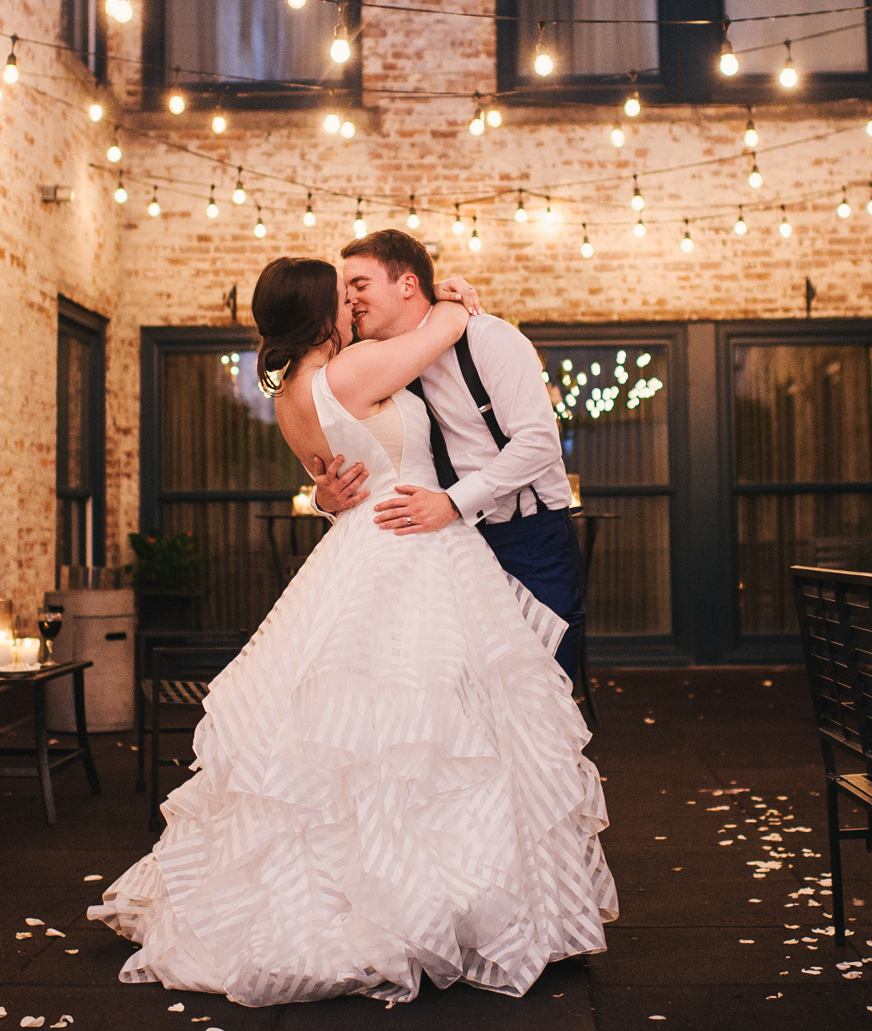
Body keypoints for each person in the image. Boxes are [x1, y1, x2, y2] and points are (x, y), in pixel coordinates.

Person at [88, 256, 617, 1007]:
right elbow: (443, 330)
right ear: (319, 315)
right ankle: (441, 904)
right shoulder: (358, 367)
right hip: (415, 544)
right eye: (344, 298)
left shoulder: (290, 399)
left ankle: (402, 886)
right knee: (435, 730)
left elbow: (339, 478)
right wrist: (453, 301)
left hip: (362, 546)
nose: (354, 307)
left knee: (364, 734)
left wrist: (321, 495)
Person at [312, 230, 586, 683]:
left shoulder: (489, 338)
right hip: (444, 551)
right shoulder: (377, 363)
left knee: (542, 687)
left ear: (406, 285)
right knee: (470, 701)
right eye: (347, 291)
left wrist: (453, 503)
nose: (351, 299)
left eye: (360, 285)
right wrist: (328, 499)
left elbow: (538, 442)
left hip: (528, 539)